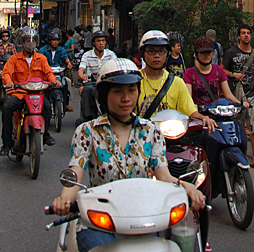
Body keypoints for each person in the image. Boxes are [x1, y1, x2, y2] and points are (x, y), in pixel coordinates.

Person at [51, 58, 205, 251]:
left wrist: (187, 188)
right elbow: (75, 172)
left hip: (144, 217)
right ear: (104, 95)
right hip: (99, 220)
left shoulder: (151, 130)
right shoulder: (86, 131)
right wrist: (64, 200)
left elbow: (163, 176)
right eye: (118, 91)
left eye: (132, 90)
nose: (126, 98)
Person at [137, 30, 216, 130]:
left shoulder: (177, 83)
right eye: (151, 51)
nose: (156, 55)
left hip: (170, 134)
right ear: (142, 53)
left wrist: (203, 118)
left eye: (161, 51)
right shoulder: (134, 81)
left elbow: (190, 111)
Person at [0, 29, 60, 155]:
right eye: (27, 41)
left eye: (32, 41)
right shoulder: (14, 59)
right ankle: (7, 143)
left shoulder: (41, 58)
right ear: (22, 42)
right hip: (20, 93)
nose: (30, 44)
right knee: (7, 108)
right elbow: (6, 73)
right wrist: (8, 82)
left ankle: (46, 135)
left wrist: (54, 81)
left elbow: (48, 72)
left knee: (47, 108)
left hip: (37, 94)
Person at [223, 24, 254, 168]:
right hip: (235, 93)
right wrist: (234, 75)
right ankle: (240, 155)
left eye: (248, 33)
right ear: (239, 37)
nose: (246, 35)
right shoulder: (231, 53)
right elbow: (222, 71)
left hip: (252, 93)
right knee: (238, 125)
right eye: (243, 33)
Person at [184, 36, 245, 109]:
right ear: (197, 54)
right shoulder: (190, 73)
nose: (206, 55)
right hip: (198, 116)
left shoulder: (219, 71)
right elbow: (188, 98)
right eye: (203, 52)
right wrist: (193, 107)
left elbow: (228, 94)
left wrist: (240, 104)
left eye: (209, 52)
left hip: (217, 114)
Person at [76, 30, 117, 123]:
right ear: (94, 43)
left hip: (107, 83)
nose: (101, 43)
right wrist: (82, 75)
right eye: (98, 41)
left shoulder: (111, 55)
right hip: (92, 83)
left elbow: (117, 67)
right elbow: (81, 69)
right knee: (86, 90)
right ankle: (87, 119)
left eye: (103, 41)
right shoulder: (87, 55)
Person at [39, 28, 74, 111]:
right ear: (49, 41)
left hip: (59, 73)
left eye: (57, 40)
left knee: (67, 83)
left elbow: (65, 57)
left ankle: (66, 103)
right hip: (46, 74)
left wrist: (68, 63)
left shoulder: (61, 50)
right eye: (53, 40)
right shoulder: (43, 50)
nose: (55, 42)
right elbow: (39, 59)